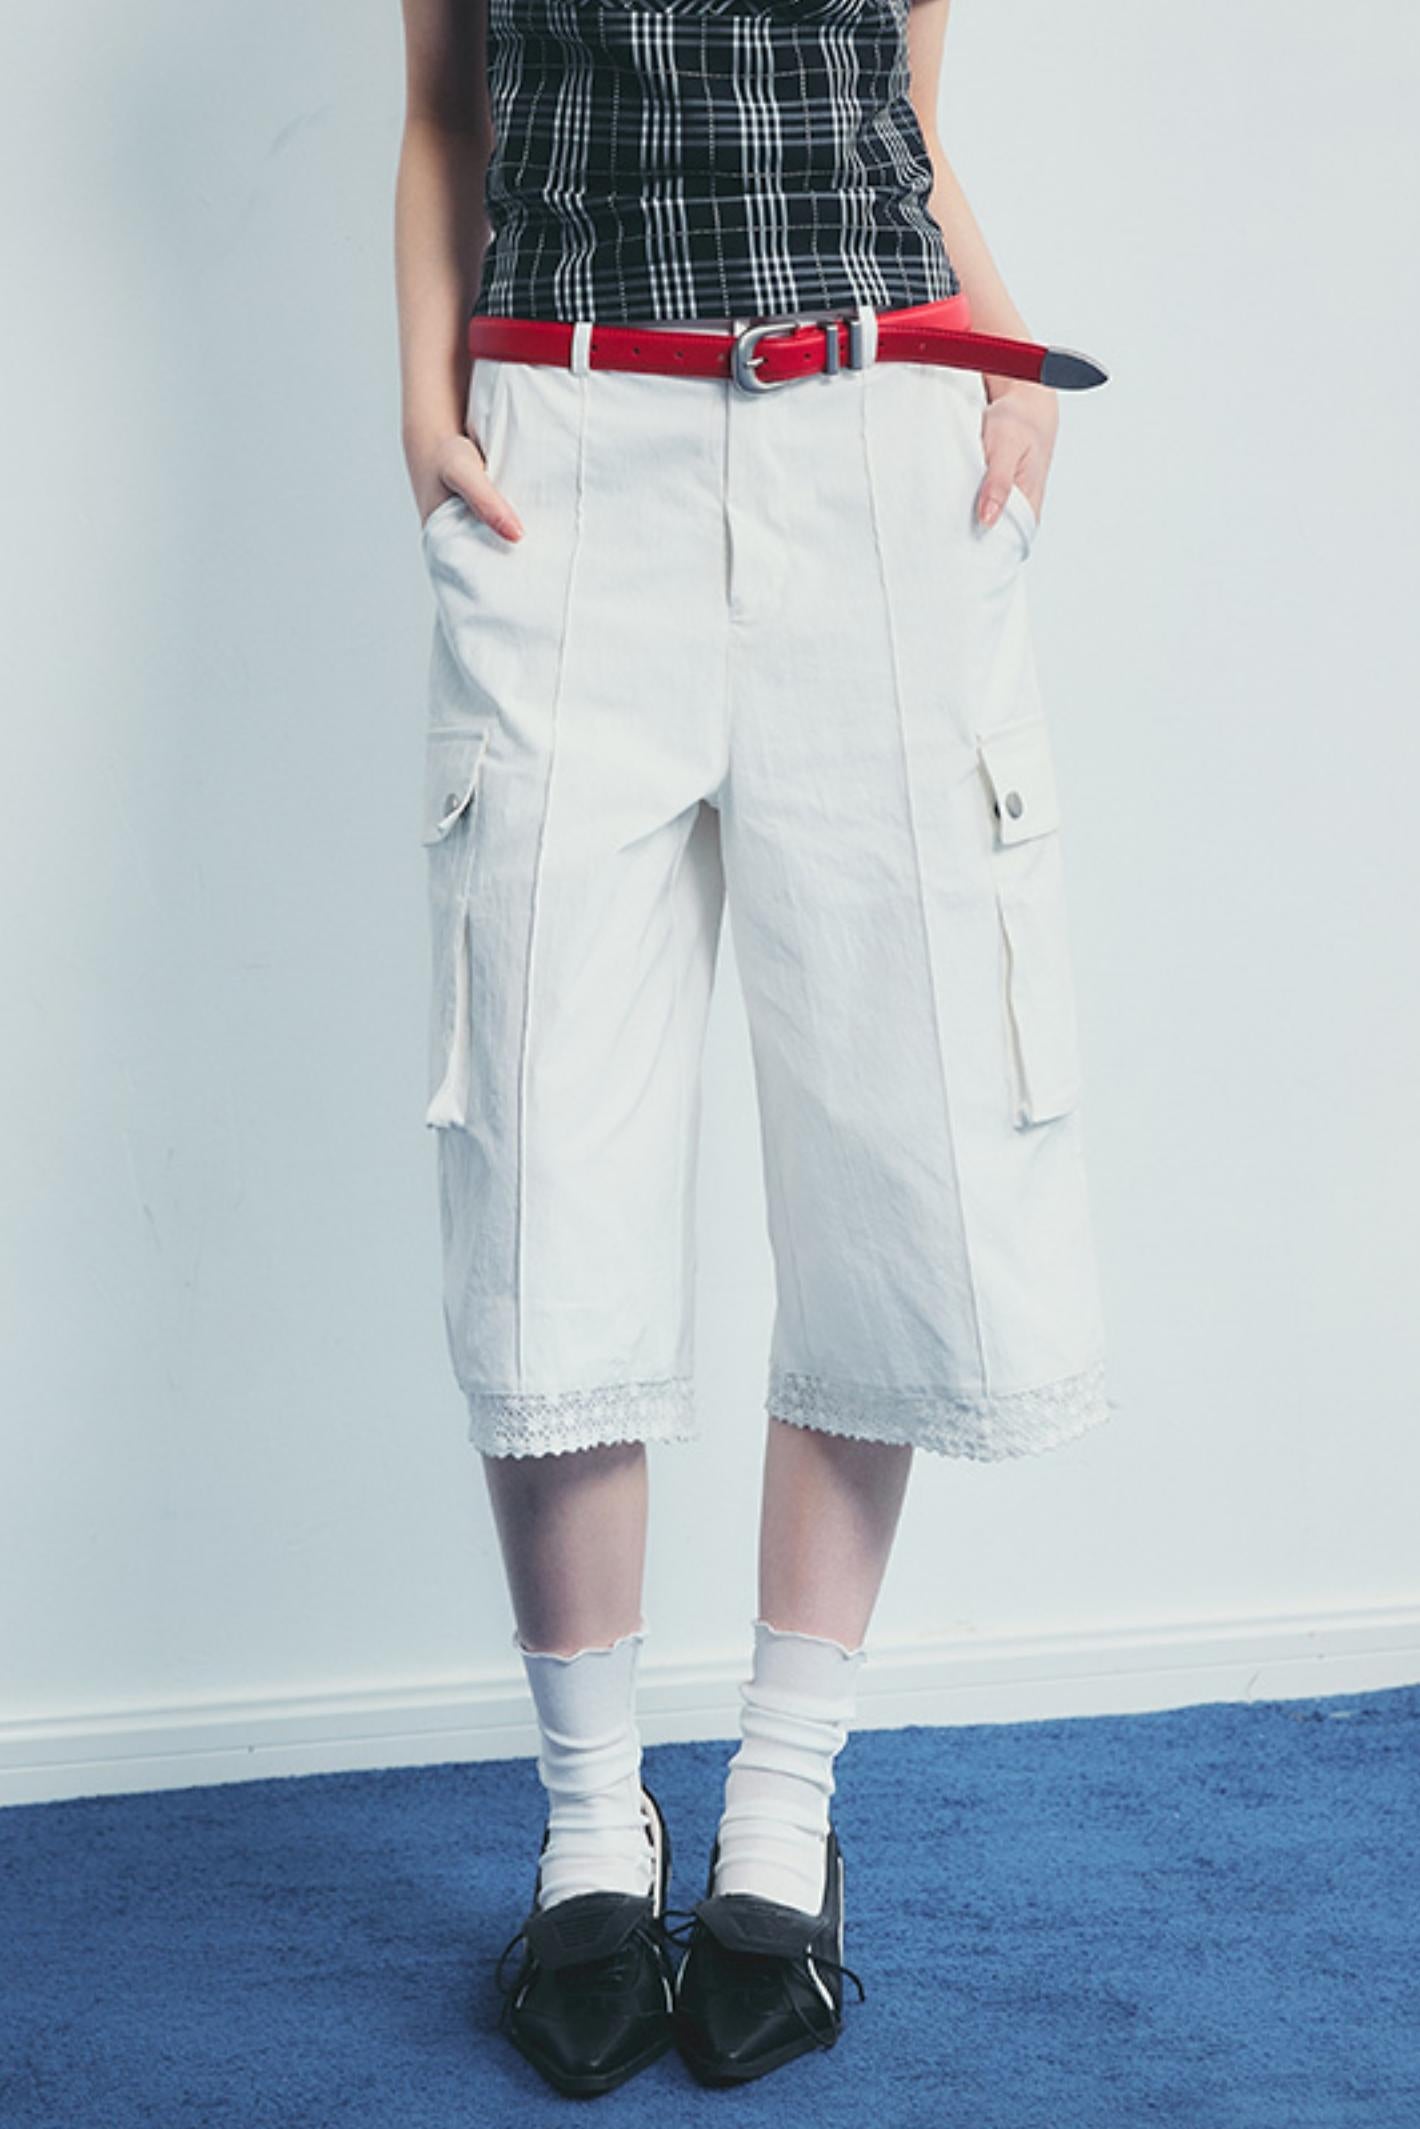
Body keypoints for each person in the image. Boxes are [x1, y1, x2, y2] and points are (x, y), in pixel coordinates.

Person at [394, 0, 1114, 2094]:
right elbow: (442, 102)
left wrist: (1007, 350)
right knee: (543, 1151)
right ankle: (586, 1831)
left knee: (892, 1135)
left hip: (880, 443)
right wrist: (418, 402)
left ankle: (783, 1820)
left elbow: (897, 111)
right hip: (560, 449)